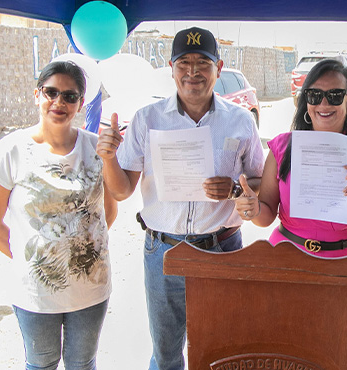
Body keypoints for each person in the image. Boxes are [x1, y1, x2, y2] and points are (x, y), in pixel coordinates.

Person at [95, 26, 264, 370]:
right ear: (171, 67)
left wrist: (234, 189)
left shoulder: (241, 121)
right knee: (167, 353)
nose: (192, 72)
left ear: (218, 67)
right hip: (163, 250)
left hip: (221, 248)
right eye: (183, 62)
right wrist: (109, 157)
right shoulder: (147, 119)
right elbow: (121, 190)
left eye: (202, 62)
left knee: (221, 350)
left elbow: (260, 180)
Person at [234, 59, 347, 370]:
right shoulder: (283, 147)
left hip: (345, 267)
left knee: (337, 356)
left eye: (334, 96)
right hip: (286, 263)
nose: (323, 104)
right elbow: (267, 214)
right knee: (283, 355)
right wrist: (251, 209)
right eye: (314, 95)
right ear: (305, 101)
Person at [0, 60, 117, 370]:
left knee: (82, 364)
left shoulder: (96, 149)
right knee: (41, 364)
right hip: (36, 292)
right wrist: (32, 261)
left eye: (69, 96)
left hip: (91, 289)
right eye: (51, 92)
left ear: (81, 103)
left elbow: (108, 211)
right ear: (36, 95)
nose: (59, 102)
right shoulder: (11, 150)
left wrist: (82, 249)